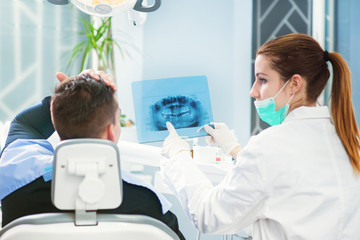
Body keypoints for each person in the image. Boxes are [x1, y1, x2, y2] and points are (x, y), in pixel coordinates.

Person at [161, 33, 360, 239]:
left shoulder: (270, 146)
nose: (253, 91)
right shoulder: (351, 142)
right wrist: (234, 149)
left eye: (262, 80)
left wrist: (178, 157)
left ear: (294, 84)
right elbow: (287, 185)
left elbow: (208, 216)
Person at [0, 70, 185, 240]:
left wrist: (67, 96)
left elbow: (25, 124)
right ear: (111, 132)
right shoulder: (148, 202)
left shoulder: (16, 181)